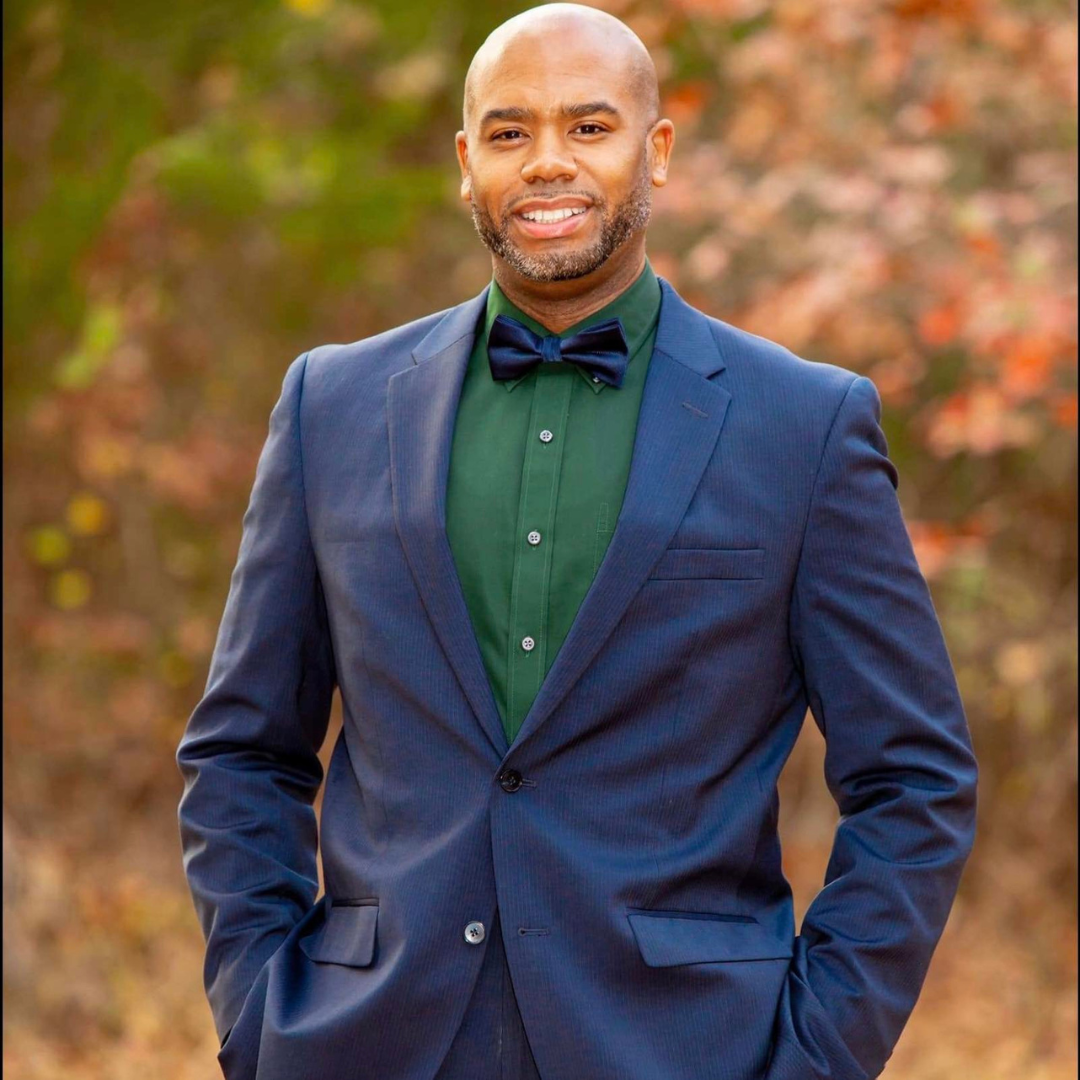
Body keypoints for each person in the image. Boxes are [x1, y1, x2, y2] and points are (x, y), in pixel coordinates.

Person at [175, 5, 978, 1079]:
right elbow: (244, 751)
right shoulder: (333, 404)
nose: (547, 163)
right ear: (467, 165)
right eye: (509, 134)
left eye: (588, 128)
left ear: (657, 150)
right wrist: (260, 1019)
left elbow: (914, 780)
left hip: (689, 1050)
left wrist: (815, 1059)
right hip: (366, 1044)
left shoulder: (805, 426)